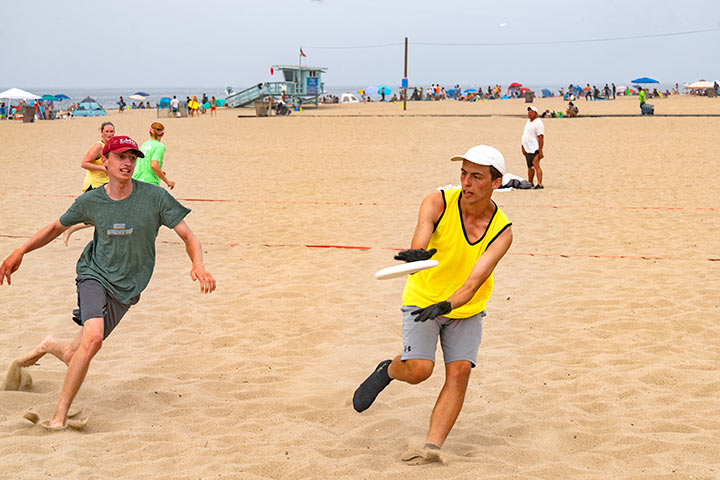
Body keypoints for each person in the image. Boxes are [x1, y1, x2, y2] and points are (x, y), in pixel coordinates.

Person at [1, 135, 216, 429]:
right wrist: (20, 250)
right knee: (94, 339)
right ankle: (58, 417)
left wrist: (198, 264)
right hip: (94, 274)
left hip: (127, 288)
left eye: (132, 158)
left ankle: (48, 346)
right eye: (121, 157)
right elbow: (54, 228)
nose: (127, 163)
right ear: (105, 162)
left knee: (75, 353)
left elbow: (189, 236)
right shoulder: (90, 201)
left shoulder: (155, 197)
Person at [352, 145, 512, 462]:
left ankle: (431, 447)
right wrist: (417, 257)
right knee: (419, 370)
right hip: (423, 300)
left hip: (464, 308)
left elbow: (472, 285)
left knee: (460, 372)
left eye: (476, 176)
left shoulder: (502, 232)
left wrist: (448, 305)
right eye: (463, 173)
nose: (466, 182)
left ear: (496, 183)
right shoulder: (437, 202)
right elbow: (420, 243)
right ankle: (388, 370)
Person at [62, 122, 116, 245]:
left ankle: (74, 229)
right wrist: (102, 168)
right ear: (101, 132)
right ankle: (71, 228)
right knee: (101, 215)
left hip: (107, 185)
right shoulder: (98, 146)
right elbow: (84, 163)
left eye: (111, 131)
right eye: (107, 131)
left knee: (105, 215)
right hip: (95, 185)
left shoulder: (112, 146)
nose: (109, 134)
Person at [133, 122, 175, 189]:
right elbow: (154, 165)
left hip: (136, 181)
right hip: (149, 182)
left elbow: (140, 163)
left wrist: (159, 172)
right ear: (163, 134)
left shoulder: (144, 145)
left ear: (150, 133)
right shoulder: (160, 146)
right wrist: (167, 182)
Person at [521, 106, 545, 189]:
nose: (529, 113)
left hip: (534, 148)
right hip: (527, 148)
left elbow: (541, 137)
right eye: (529, 112)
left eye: (531, 112)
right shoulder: (528, 121)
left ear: (536, 113)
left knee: (536, 165)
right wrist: (523, 146)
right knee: (529, 167)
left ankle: (540, 184)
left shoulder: (538, 123)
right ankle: (530, 182)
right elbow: (525, 134)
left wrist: (540, 150)